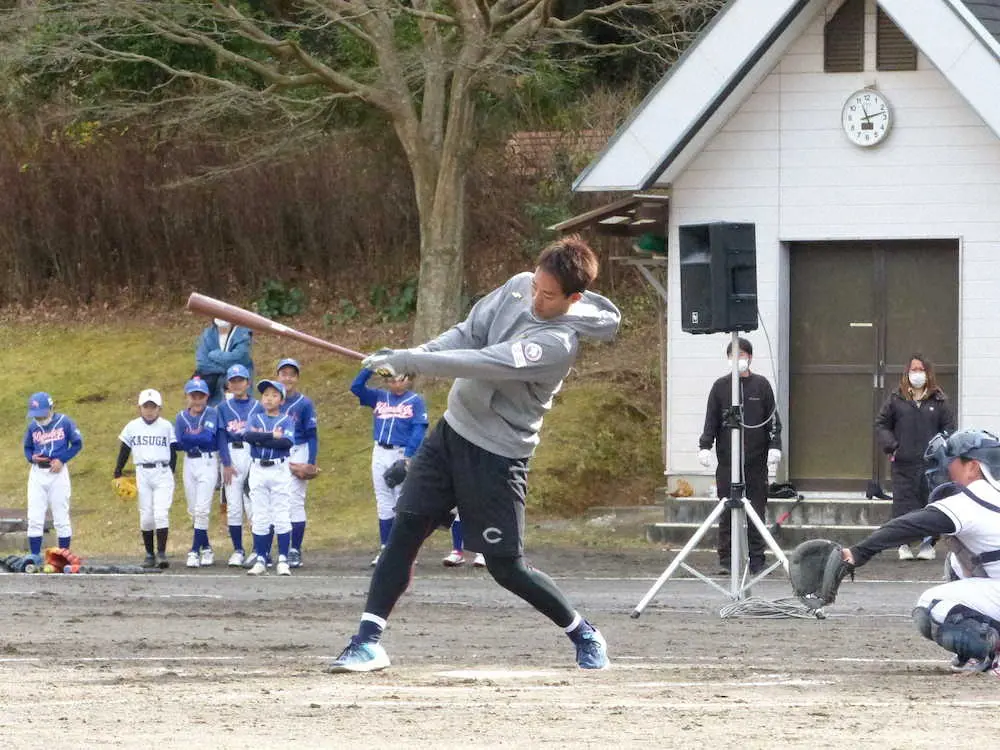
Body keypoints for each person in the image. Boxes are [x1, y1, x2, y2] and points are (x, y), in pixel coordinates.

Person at [329, 235, 620, 673]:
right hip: (452, 433)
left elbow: (484, 360)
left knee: (506, 568)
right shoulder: (520, 286)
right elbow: (469, 333)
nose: (536, 300)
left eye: (549, 296)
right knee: (404, 532)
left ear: (573, 298)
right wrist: (419, 354)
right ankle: (367, 641)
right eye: (537, 287)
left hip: (499, 456)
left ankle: (582, 631)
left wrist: (410, 360)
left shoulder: (558, 343)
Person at [841, 429, 1000, 673]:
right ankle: (980, 651)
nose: (944, 468)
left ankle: (994, 651)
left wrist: (858, 552)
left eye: (951, 461)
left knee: (932, 606)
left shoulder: (973, 497)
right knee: (956, 563)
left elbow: (910, 526)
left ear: (973, 467)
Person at [698, 337, 782, 576]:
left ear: (750, 358)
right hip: (727, 462)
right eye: (734, 356)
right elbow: (711, 420)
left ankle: (757, 558)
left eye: (742, 355)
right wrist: (705, 446)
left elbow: (773, 421)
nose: (738, 360)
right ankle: (726, 558)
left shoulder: (761, 386)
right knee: (726, 510)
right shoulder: (720, 387)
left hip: (755, 463)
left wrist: (775, 446)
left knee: (756, 511)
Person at [875, 353, 956, 561]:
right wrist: (892, 446)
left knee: (930, 503)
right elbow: (882, 424)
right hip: (903, 463)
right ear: (907, 372)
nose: (917, 374)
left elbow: (949, 428)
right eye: (913, 370)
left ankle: (928, 544)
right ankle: (903, 544)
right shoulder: (896, 398)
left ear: (928, 373)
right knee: (903, 504)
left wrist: (942, 451)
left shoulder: (939, 400)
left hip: (932, 465)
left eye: (921, 370)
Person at [350, 369, 429, 568]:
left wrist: (409, 457)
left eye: (398, 380)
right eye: (390, 380)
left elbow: (419, 428)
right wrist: (369, 368)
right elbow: (356, 388)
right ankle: (386, 548)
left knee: (401, 501)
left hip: (401, 452)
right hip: (380, 451)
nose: (394, 384)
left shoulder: (415, 400)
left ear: (408, 379)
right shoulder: (379, 397)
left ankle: (405, 551)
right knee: (384, 501)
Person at [115, 389, 178, 569]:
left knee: (161, 513)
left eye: (153, 407)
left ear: (159, 408)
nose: (149, 410)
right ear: (140, 408)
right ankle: (149, 554)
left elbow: (173, 451)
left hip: (162, 470)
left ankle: (161, 553)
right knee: (146, 516)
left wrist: (170, 472)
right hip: (142, 471)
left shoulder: (166, 426)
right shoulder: (133, 426)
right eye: (146, 406)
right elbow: (125, 449)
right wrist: (117, 471)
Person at [240, 379, 296, 576]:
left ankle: (283, 559)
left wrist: (261, 438)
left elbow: (287, 442)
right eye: (265, 395)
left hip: (278, 468)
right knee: (260, 515)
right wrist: (272, 436)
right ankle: (261, 558)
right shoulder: (255, 417)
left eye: (274, 395)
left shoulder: (286, 420)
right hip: (258, 468)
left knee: (281, 514)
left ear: (281, 400)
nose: (269, 399)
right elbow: (248, 437)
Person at [174, 377, 230, 568]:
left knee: (202, 509)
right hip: (189, 462)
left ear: (206, 397)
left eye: (201, 396)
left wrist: (191, 437)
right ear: (188, 397)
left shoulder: (211, 413)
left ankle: (193, 550)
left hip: (207, 461)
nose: (197, 400)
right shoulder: (181, 416)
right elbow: (179, 443)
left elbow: (208, 438)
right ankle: (206, 548)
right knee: (193, 511)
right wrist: (194, 438)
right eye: (193, 396)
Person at [22, 392, 84, 561]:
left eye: (42, 414)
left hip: (57, 472)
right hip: (37, 473)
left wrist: (62, 460)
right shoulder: (32, 427)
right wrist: (31, 458)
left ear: (51, 408)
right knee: (34, 515)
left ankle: (64, 555)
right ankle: (35, 555)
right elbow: (27, 448)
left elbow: (78, 443)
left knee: (61, 515)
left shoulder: (64, 422)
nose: (39, 418)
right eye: (36, 415)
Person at [276, 358, 319, 568]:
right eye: (283, 373)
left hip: (298, 449)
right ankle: (272, 549)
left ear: (297, 378)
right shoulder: (271, 399)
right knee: (276, 501)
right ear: (277, 376)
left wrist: (310, 462)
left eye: (291, 374)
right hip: (275, 453)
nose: (287, 378)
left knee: (295, 501)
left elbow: (312, 434)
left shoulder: (304, 403)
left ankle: (295, 549)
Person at [219, 364, 257, 566]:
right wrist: (225, 463)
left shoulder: (257, 406)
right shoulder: (223, 408)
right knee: (234, 506)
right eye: (233, 381)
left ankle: (258, 549)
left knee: (253, 505)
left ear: (248, 382)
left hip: (251, 453)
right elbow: (221, 435)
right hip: (232, 454)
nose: (237, 384)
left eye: (240, 380)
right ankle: (238, 550)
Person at [194, 318, 254, 405]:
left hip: (238, 383)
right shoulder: (207, 334)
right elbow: (202, 364)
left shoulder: (243, 335)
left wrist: (214, 355)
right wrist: (228, 367)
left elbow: (240, 358)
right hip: (213, 386)